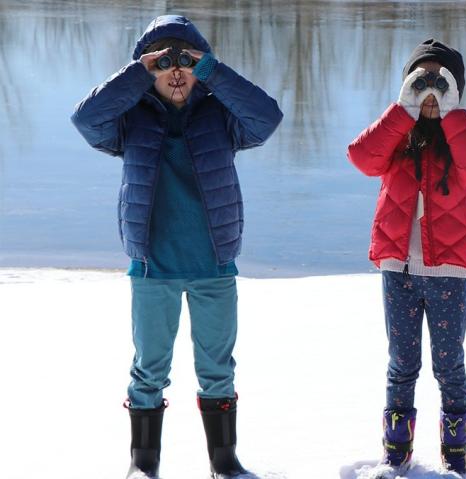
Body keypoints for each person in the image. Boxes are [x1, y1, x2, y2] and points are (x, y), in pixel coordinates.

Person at [71, 15, 282, 479]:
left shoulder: (222, 117)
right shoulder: (130, 121)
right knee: (148, 369)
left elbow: (267, 118)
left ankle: (224, 463)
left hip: (214, 265)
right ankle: (143, 464)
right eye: (166, 63)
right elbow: (85, 120)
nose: (177, 72)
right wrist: (137, 73)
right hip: (153, 269)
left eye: (185, 62)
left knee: (217, 369)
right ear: (151, 69)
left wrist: (213, 72)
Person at [347, 39, 466, 477]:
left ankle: (456, 457)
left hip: (448, 272)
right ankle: (396, 453)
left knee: (449, 364)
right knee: (401, 363)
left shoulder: (462, 141)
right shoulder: (397, 139)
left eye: (440, 83)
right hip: (398, 270)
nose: (430, 94)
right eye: (421, 82)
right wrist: (402, 110)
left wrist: (451, 114)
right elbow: (360, 157)